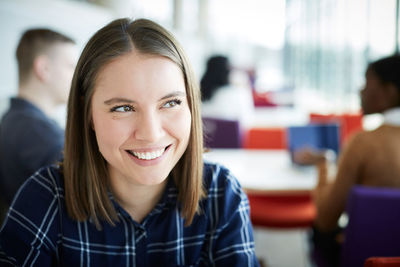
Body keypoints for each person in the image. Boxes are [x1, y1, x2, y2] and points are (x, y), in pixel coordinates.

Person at [0, 18, 259, 266]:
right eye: (123, 108)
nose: (151, 133)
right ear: (87, 114)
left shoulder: (221, 193)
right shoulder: (45, 198)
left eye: (171, 103)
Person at [296, 55, 400, 267]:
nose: (360, 90)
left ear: (389, 92)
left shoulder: (363, 142)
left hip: (364, 259)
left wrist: (324, 164)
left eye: (367, 83)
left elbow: (326, 219)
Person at [0, 28, 77, 207]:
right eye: (72, 67)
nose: (78, 77)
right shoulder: (39, 133)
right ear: (44, 68)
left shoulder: (13, 118)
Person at [200, 55, 254, 127]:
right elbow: (247, 122)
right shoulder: (238, 94)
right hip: (231, 137)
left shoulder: (198, 93)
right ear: (228, 71)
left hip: (204, 137)